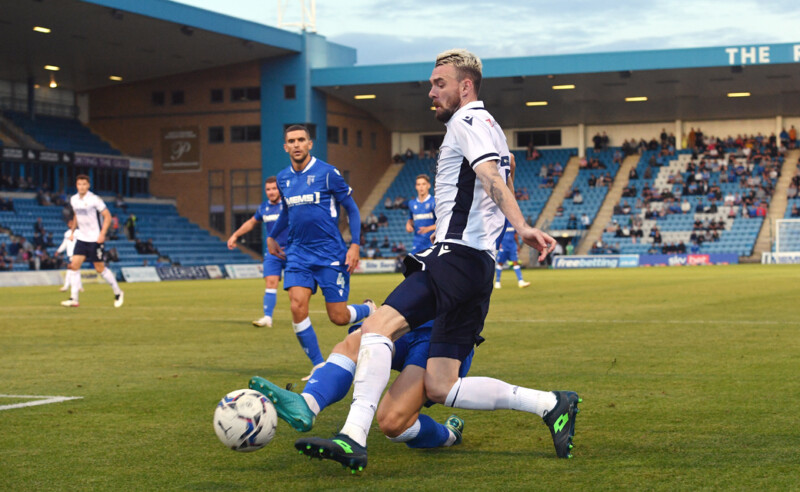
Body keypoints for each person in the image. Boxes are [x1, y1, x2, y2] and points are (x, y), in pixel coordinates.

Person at [295, 49, 578, 471]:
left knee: (377, 327)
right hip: (478, 266)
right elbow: (500, 177)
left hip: (456, 256)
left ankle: (352, 436)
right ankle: (550, 404)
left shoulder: (466, 121)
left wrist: (521, 226)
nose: (431, 92)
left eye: (439, 84)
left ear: (465, 86)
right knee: (442, 384)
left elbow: (490, 177)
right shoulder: (494, 129)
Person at [249, 319, 468, 454]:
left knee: (393, 423)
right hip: (406, 323)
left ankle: (448, 435)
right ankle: (308, 403)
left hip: (443, 340)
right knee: (356, 341)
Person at [268, 125, 376, 379]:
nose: (296, 144)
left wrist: (355, 245)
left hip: (330, 253)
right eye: (291, 141)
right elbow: (287, 212)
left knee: (338, 317)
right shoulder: (283, 178)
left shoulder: (328, 173)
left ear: (309, 144)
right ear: (285, 147)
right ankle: (318, 364)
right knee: (297, 306)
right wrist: (272, 236)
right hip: (298, 253)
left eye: (301, 140)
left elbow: (352, 209)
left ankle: (369, 309)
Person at [227, 176, 288, 328]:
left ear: (280, 189)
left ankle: (300, 319)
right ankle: (267, 318)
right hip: (272, 253)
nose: (271, 192)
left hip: (292, 251)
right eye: (268, 189)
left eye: (274, 189)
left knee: (295, 288)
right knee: (270, 282)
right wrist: (235, 235)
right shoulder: (263, 208)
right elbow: (251, 222)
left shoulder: (289, 205)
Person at [60, 174, 124, 308]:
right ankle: (74, 299)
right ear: (76, 185)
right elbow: (76, 215)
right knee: (74, 266)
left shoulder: (95, 199)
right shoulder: (74, 199)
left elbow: (107, 216)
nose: (82, 187)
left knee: (99, 268)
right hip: (82, 238)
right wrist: (73, 231)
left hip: (95, 239)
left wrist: (102, 234)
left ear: (88, 185)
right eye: (79, 184)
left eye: (84, 184)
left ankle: (118, 292)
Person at [405, 174, 436, 254]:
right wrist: (408, 224)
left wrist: (428, 228)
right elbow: (411, 218)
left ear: (428, 185)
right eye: (418, 184)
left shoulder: (434, 202)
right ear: (416, 187)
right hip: (417, 244)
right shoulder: (412, 203)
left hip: (433, 243)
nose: (421, 187)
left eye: (423, 184)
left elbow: (443, 223)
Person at [494, 224, 531, 289]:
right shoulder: (502, 222)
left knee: (515, 262)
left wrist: (518, 245)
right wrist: (498, 243)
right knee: (500, 263)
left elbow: (515, 235)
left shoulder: (513, 223)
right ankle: (497, 282)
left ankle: (520, 281)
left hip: (512, 247)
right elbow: (497, 233)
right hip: (503, 246)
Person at [56, 217, 83, 294]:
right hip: (70, 254)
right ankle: (78, 286)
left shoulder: (78, 233)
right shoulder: (67, 233)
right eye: (69, 223)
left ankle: (68, 286)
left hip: (77, 253)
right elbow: (64, 244)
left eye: (72, 223)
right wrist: (59, 251)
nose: (70, 225)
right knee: (74, 270)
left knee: (72, 270)